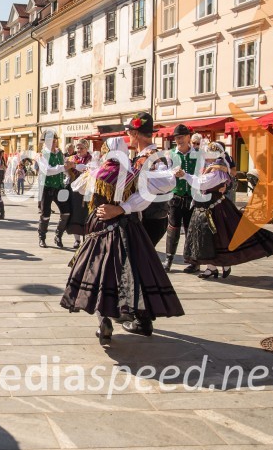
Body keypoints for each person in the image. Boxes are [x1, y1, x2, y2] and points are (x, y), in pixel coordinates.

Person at [60, 137, 184, 343]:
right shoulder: (135, 174)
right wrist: (124, 207)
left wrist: (89, 168)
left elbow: (77, 187)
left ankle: (103, 320)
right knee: (136, 270)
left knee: (98, 271)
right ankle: (140, 316)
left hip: (100, 225)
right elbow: (156, 190)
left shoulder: (96, 174)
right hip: (129, 227)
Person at [179, 142, 273, 279]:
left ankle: (224, 264)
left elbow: (202, 183)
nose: (205, 155)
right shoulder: (212, 166)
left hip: (215, 208)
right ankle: (211, 267)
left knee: (220, 237)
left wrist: (185, 175)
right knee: (207, 238)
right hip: (204, 207)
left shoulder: (218, 169)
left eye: (208, 153)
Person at [127, 112, 173, 246]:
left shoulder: (151, 157)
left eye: (129, 133)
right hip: (151, 216)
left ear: (135, 134)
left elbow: (166, 183)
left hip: (149, 218)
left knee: (140, 256)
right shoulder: (149, 156)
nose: (128, 137)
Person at [163, 124, 197, 273]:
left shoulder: (198, 154)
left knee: (191, 229)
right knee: (173, 228)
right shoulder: (170, 154)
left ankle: (194, 261)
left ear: (189, 137)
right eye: (177, 138)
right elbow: (164, 173)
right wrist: (171, 173)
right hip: (176, 196)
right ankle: (168, 259)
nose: (179, 140)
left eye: (182, 137)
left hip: (192, 197)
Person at [37, 134, 70, 249]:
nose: (53, 143)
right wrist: (63, 167)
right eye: (50, 141)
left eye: (54, 140)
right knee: (46, 214)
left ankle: (58, 236)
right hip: (46, 187)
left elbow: (66, 166)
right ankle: (42, 237)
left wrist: (70, 171)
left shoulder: (60, 153)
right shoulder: (42, 155)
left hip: (60, 186)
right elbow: (47, 170)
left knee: (66, 212)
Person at [66, 139, 93, 250]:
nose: (79, 150)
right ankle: (77, 239)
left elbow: (90, 170)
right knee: (75, 212)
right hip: (74, 189)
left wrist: (77, 166)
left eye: (81, 148)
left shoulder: (91, 159)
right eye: (77, 148)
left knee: (87, 212)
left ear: (86, 148)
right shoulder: (71, 158)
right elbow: (66, 171)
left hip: (88, 188)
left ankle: (87, 238)